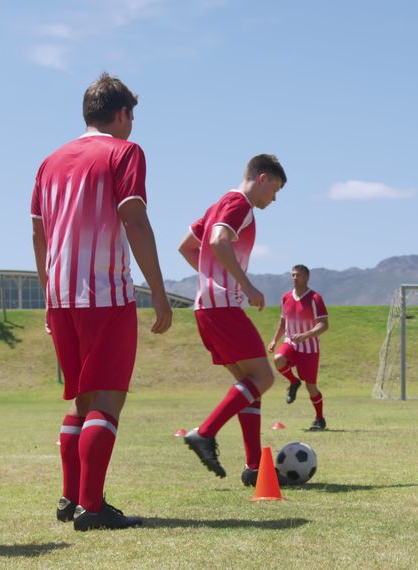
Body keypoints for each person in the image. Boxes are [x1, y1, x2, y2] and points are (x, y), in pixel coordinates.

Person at [30, 73, 172, 531]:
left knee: (80, 401)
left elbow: (38, 232)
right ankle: (93, 505)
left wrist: (48, 291)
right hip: (104, 292)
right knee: (106, 403)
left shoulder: (50, 161)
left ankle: (71, 496)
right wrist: (160, 293)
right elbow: (134, 218)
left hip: (60, 295)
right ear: (123, 113)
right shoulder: (124, 152)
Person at [177, 155, 288, 487]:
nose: (275, 198)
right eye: (276, 190)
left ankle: (254, 467)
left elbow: (186, 247)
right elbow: (217, 241)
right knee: (264, 378)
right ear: (263, 178)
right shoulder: (239, 204)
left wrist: (213, 275)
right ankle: (205, 432)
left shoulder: (217, 205)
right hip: (223, 307)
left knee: (249, 386)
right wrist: (244, 285)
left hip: (206, 308)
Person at [268, 265, 329, 430]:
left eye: (298, 275)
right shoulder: (285, 297)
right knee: (278, 359)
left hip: (309, 348)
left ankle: (320, 418)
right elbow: (282, 322)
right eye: (293, 275)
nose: (294, 278)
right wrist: (274, 340)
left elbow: (324, 325)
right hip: (291, 342)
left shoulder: (315, 298)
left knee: (311, 386)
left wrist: (306, 335)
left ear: (306, 277)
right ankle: (294, 382)